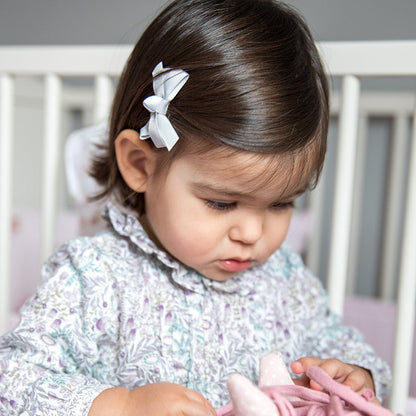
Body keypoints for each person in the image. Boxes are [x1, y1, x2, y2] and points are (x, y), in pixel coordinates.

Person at [0, 0, 391, 415]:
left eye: (282, 203)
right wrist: (121, 405)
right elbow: (13, 378)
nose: (252, 233)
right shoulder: (95, 277)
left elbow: (341, 343)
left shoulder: (284, 278)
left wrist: (353, 374)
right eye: (221, 203)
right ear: (140, 165)